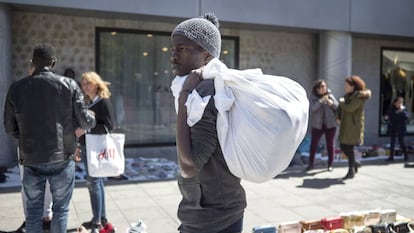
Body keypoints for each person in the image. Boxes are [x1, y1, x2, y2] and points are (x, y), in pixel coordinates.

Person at [3, 43, 96, 233]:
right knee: (61, 210)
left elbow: (9, 128)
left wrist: (26, 139)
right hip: (61, 157)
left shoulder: (16, 88)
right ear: (53, 62)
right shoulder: (69, 85)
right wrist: (92, 117)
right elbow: (85, 121)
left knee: (33, 210)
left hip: (30, 157)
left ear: (33, 63)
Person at [170, 13, 246, 233]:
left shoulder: (204, 92)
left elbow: (190, 165)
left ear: (206, 54)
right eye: (173, 49)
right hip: (209, 208)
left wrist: (185, 96)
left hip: (214, 215)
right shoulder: (201, 87)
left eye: (182, 49)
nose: (173, 56)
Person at [75, 71, 115, 233]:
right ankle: (101, 218)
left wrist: (86, 130)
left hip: (97, 148)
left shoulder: (103, 102)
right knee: (96, 183)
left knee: (93, 183)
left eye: (88, 83)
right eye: (83, 83)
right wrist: (78, 145)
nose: (85, 86)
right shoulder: (87, 103)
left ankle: (97, 221)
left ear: (96, 84)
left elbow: (109, 126)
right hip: (86, 148)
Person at [336, 75, 371, 180]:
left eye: (346, 85)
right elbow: (340, 108)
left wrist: (341, 102)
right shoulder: (348, 96)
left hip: (354, 127)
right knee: (343, 146)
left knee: (348, 147)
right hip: (346, 125)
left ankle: (351, 170)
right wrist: (338, 116)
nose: (345, 87)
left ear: (353, 86)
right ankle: (354, 163)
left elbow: (349, 108)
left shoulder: (359, 97)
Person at [306, 80, 338, 171]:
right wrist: (321, 101)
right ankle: (311, 164)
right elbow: (313, 109)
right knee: (314, 145)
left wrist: (331, 103)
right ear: (317, 89)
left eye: (325, 86)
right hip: (318, 125)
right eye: (321, 87)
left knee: (330, 145)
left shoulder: (330, 96)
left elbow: (337, 107)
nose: (324, 88)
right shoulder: (313, 98)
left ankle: (330, 164)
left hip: (330, 124)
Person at [384, 96, 409, 163]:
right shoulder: (391, 107)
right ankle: (391, 157)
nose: (400, 103)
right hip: (393, 127)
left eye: (402, 102)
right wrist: (386, 117)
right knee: (392, 142)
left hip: (401, 127)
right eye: (399, 102)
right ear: (395, 102)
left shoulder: (403, 109)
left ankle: (406, 155)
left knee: (401, 142)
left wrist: (401, 111)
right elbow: (389, 116)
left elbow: (406, 117)